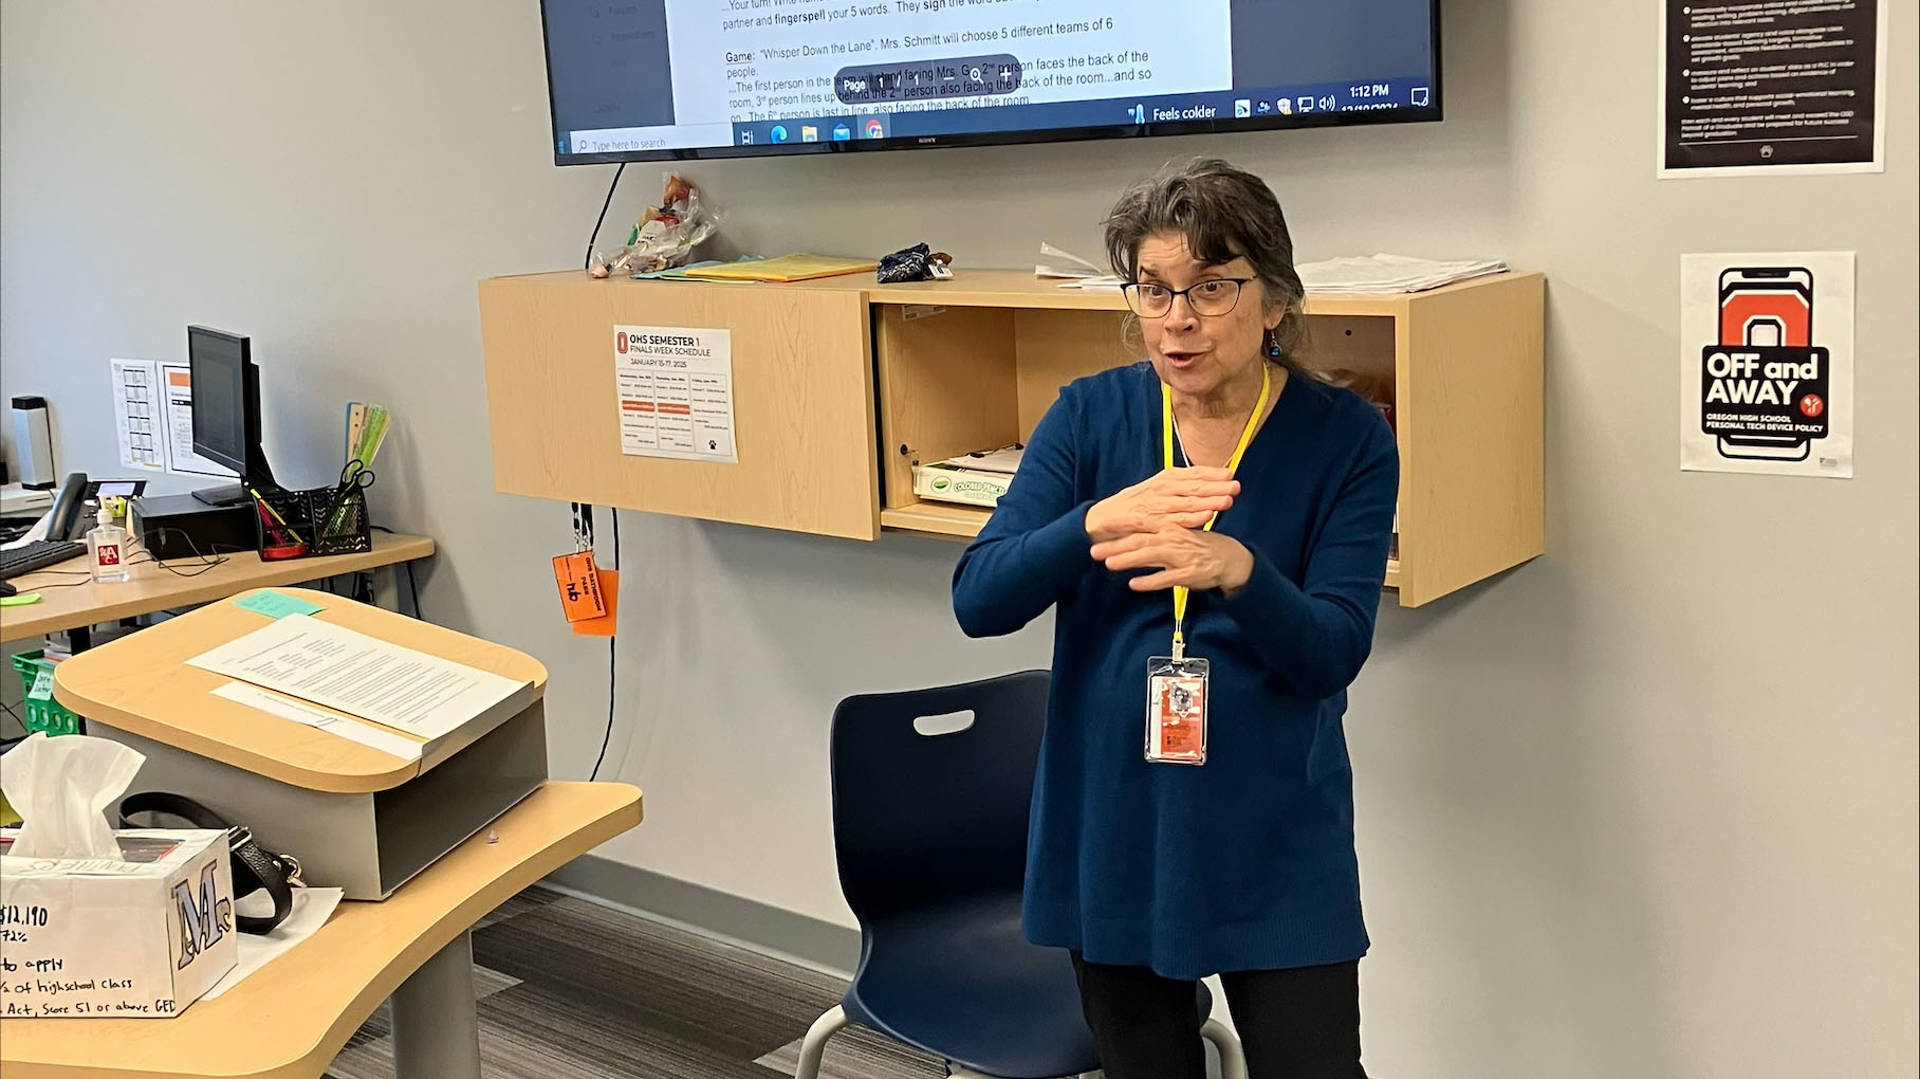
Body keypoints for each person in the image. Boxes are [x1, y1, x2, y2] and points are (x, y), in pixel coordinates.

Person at [950, 158, 1398, 1079]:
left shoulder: (1346, 438)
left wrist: (1240, 571)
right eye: (1153, 290)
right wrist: (1092, 523)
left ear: (1274, 301)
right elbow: (979, 597)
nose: (1177, 319)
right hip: (1114, 820)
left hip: (1277, 828)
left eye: (1210, 288)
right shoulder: (1089, 416)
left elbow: (1333, 652)